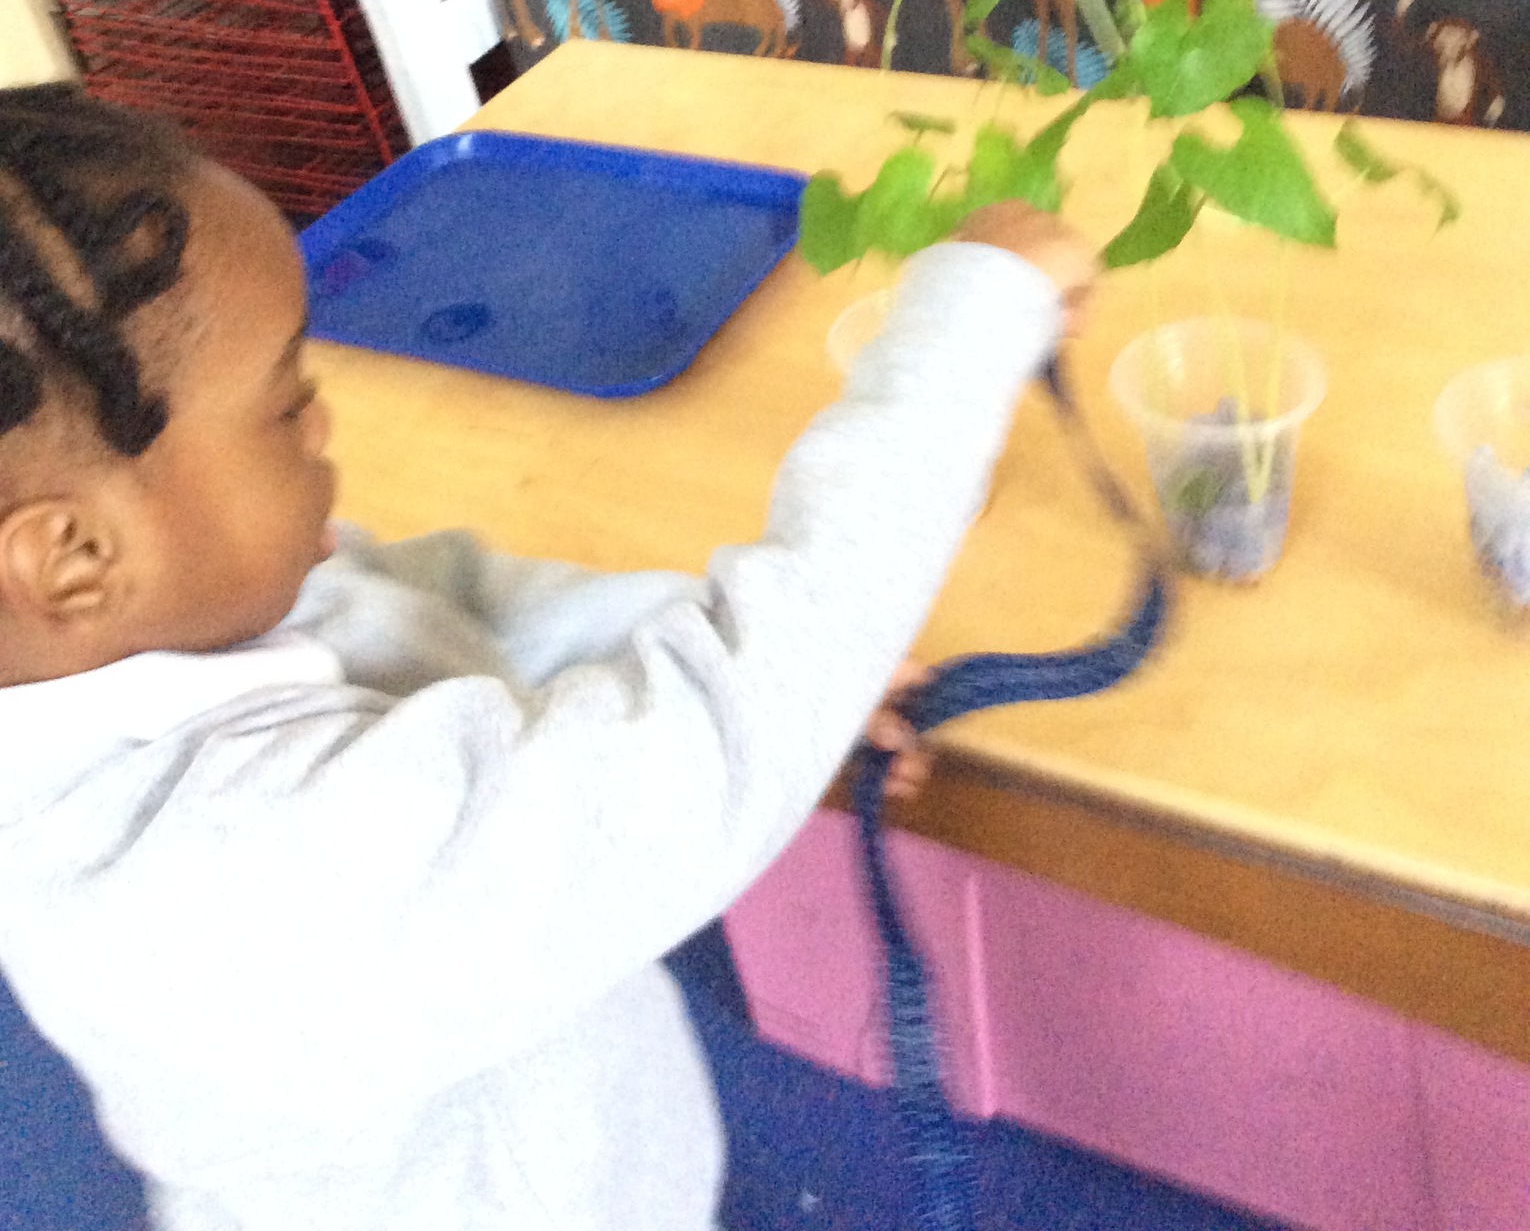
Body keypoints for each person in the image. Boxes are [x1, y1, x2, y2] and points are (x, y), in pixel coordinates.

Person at [0, 84, 1095, 1231]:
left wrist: (693, 628)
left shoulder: (173, 617)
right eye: (286, 404)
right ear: (72, 556)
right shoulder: (239, 880)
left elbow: (436, 600)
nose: (323, 424)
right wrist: (966, 331)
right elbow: (708, 754)